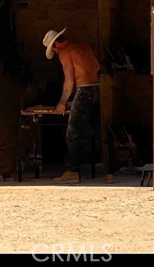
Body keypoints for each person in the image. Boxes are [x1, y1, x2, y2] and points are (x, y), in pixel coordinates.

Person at [42, 27, 110, 184]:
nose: (56, 54)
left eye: (54, 51)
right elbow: (97, 67)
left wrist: (62, 102)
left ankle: (72, 171)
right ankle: (109, 172)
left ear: (56, 45)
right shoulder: (84, 46)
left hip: (84, 91)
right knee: (99, 133)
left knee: (72, 133)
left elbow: (69, 81)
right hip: (96, 88)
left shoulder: (65, 52)